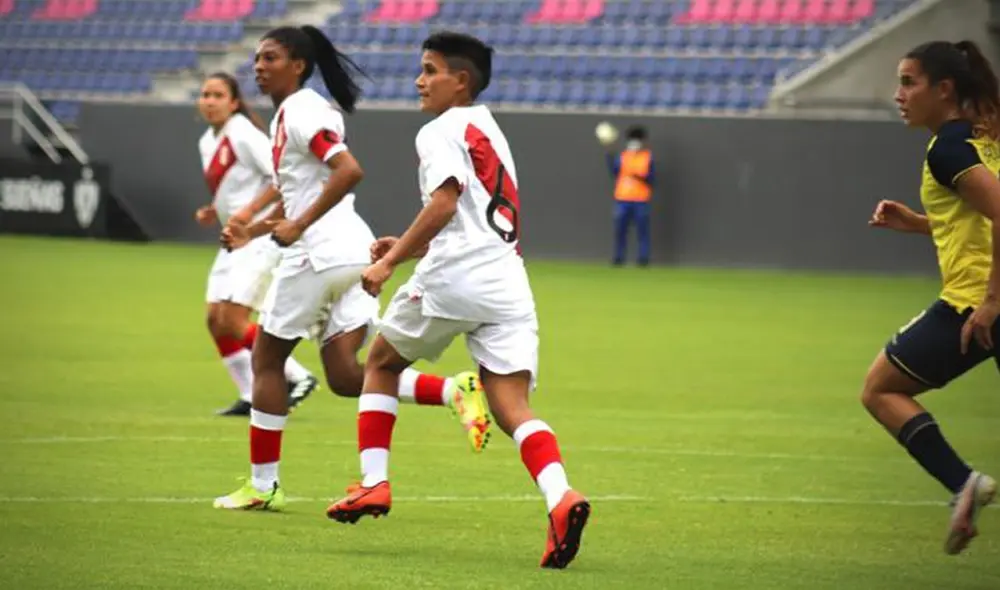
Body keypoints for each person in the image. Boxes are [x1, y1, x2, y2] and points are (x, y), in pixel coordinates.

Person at [325, 31, 590, 570]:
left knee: (377, 362)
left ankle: (374, 483)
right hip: (508, 279)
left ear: (460, 80)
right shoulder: (488, 128)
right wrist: (400, 245)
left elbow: (445, 205)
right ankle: (562, 497)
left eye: (430, 70)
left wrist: (387, 262)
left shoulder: (438, 130)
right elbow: (465, 210)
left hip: (456, 275)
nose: (419, 80)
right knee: (511, 406)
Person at [213, 26, 491, 511]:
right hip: (351, 250)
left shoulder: (300, 111)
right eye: (257, 58)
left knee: (267, 361)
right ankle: (452, 389)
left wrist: (297, 225)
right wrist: (253, 230)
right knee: (344, 376)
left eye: (270, 57)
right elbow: (309, 190)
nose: (259, 66)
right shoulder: (296, 113)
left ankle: (263, 485)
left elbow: (347, 170)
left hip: (318, 257)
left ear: (298, 65)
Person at [865, 39, 999, 555]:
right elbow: (978, 222)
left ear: (944, 89)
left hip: (976, 306)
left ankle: (963, 483)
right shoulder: (985, 137)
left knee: (880, 388)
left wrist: (991, 299)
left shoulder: (949, 148)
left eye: (908, 82)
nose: (899, 94)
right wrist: (924, 224)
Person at [193, 71, 317, 417]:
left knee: (232, 320)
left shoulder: (244, 134)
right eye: (205, 94)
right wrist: (213, 210)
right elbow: (233, 186)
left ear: (234, 102)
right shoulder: (208, 140)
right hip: (232, 238)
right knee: (214, 320)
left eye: (218, 95)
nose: (209, 101)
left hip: (256, 238)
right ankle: (249, 394)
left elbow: (281, 178)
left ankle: (297, 376)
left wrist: (249, 211)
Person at [603, 125, 654, 266]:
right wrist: (608, 154)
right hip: (622, 199)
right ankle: (619, 258)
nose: (635, 142)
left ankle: (643, 259)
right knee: (620, 231)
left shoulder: (647, 157)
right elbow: (615, 172)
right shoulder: (623, 156)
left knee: (642, 232)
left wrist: (638, 176)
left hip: (641, 200)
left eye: (637, 139)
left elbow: (651, 178)